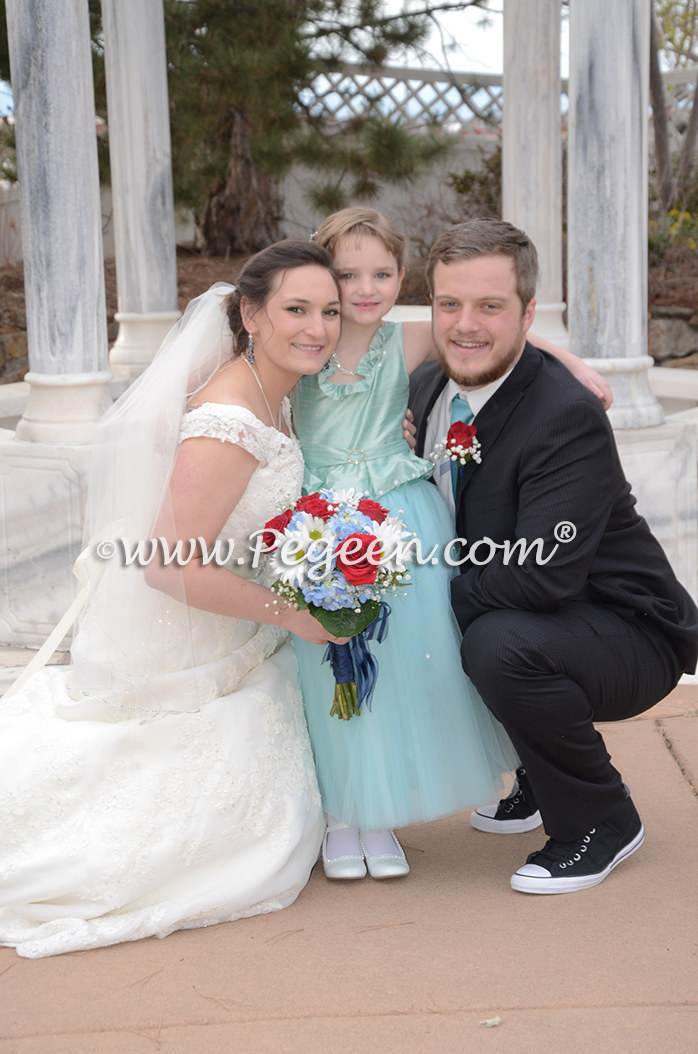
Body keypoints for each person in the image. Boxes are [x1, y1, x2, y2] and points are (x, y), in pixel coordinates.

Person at [0, 240, 347, 958]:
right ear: (250, 313)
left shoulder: (267, 386)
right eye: (297, 309)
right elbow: (166, 567)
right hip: (185, 640)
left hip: (228, 621)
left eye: (330, 312)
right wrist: (296, 615)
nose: (318, 328)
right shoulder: (233, 418)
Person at [291, 207, 612, 882]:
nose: (366, 287)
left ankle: (379, 813)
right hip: (320, 516)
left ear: (402, 277)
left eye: (383, 272)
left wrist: (575, 364)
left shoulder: (403, 340)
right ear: (325, 277)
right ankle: (341, 814)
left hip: (403, 517)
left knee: (404, 664)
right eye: (348, 274)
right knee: (331, 658)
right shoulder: (306, 343)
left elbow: (500, 337)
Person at [408, 218, 698, 894]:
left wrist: (418, 598)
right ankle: (537, 777)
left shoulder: (562, 415)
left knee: (497, 644)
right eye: (449, 304)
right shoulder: (429, 388)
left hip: (629, 630)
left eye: (491, 307)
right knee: (474, 628)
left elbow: (540, 575)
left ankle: (601, 818)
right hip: (551, 615)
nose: (465, 324)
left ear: (528, 314)